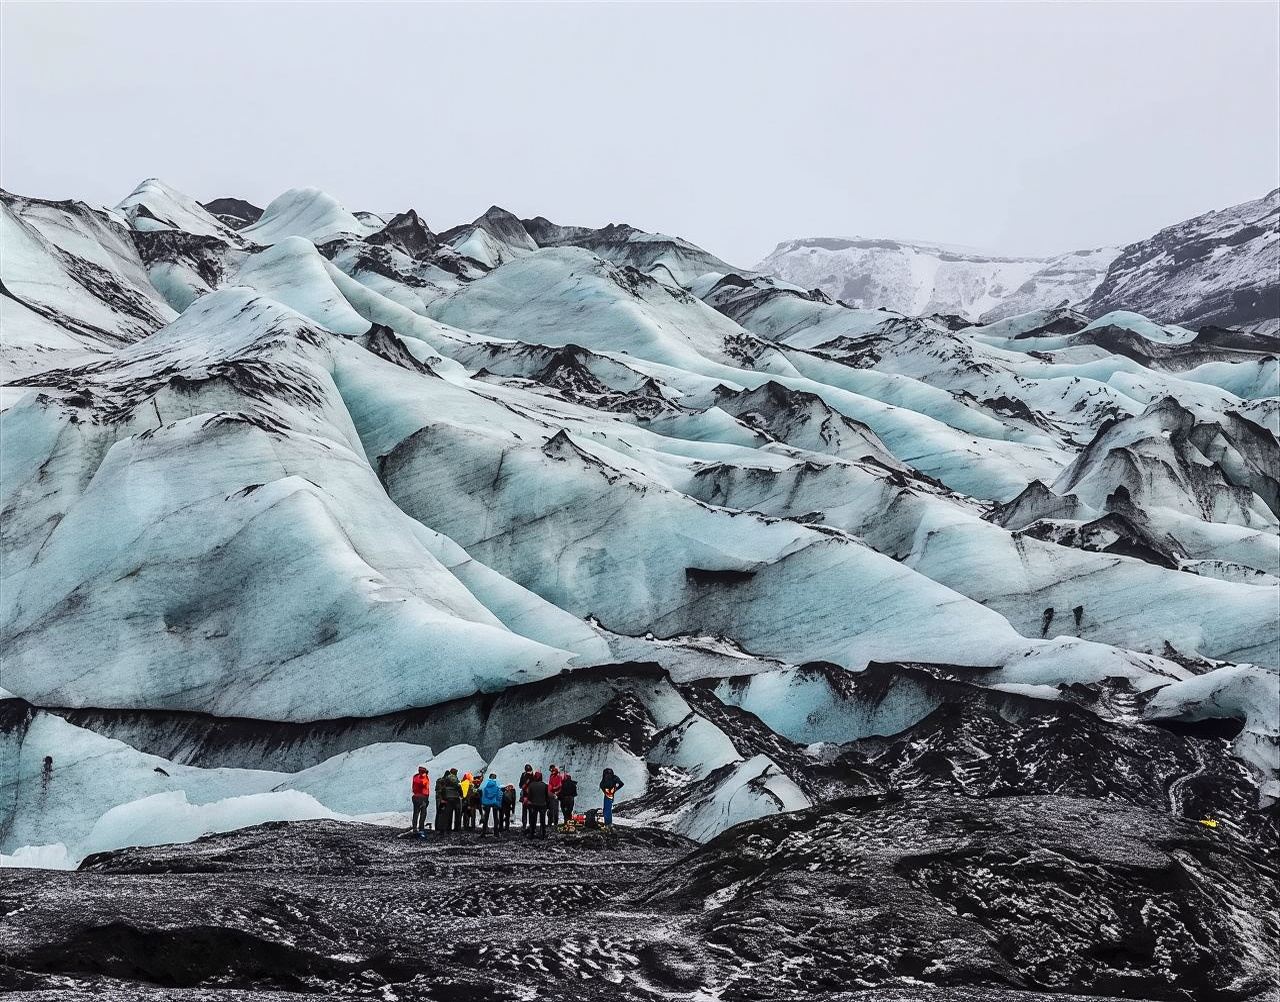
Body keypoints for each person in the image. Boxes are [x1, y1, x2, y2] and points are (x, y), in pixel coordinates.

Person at [436, 767, 463, 833]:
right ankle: (457, 828)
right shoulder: (456, 779)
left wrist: (443, 797)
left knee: (449, 814)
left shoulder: (446, 779)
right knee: (457, 814)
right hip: (456, 798)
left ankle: (448, 828)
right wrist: (461, 795)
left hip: (448, 798)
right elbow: (459, 788)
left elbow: (443, 789)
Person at [524, 769, 550, 838]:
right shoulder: (544, 785)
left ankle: (532, 833)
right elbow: (547, 796)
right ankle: (543, 833)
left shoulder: (531, 785)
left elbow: (529, 796)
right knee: (542, 820)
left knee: (533, 820)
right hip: (542, 805)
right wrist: (547, 805)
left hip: (533, 805)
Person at [411, 766, 431, 835]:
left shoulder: (415, 777)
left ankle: (414, 828)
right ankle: (421, 828)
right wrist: (426, 799)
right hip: (422, 798)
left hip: (415, 797)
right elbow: (425, 788)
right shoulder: (424, 778)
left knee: (415, 813)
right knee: (423, 813)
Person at [518, 764, 534, 831]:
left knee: (524, 811)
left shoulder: (523, 775)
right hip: (531, 796)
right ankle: (530, 825)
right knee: (531, 811)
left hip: (525, 795)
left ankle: (524, 825)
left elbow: (520, 785)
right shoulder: (533, 776)